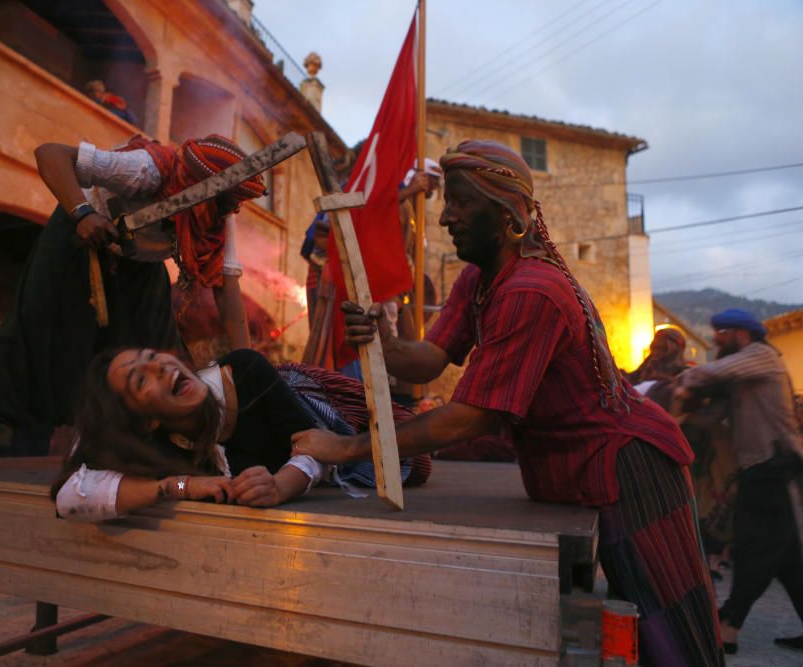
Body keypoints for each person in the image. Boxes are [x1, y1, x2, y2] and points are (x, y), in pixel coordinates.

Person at [292, 140, 723, 666]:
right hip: (577, 471)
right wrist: (382, 340)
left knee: (663, 628)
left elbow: (472, 417)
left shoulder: (531, 291)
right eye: (446, 201)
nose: (446, 216)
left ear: (507, 214)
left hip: (627, 466)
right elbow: (429, 359)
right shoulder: (479, 278)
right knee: (626, 626)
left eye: (460, 203)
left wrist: (345, 447)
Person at [0, 134, 265, 472]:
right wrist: (83, 213)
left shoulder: (218, 214)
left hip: (139, 266)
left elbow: (227, 290)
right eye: (225, 202)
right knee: (36, 336)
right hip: (77, 238)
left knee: (159, 350)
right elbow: (50, 151)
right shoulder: (146, 169)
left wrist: (246, 368)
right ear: (202, 184)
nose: (229, 210)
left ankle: (171, 452)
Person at [51, 347, 430, 520]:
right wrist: (177, 485)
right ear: (144, 422)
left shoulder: (244, 371)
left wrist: (280, 486)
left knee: (415, 463)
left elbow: (312, 446)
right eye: (141, 379)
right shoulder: (145, 442)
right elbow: (69, 496)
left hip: (311, 407)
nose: (161, 368)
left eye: (153, 358)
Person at [675, 308, 803, 655]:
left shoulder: (760, 356)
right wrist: (680, 414)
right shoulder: (742, 376)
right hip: (761, 470)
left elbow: (714, 371)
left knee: (755, 550)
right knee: (789, 559)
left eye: (721, 332)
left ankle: (729, 626)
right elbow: (714, 416)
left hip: (771, 467)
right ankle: (729, 623)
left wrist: (684, 378)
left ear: (741, 333)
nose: (715, 339)